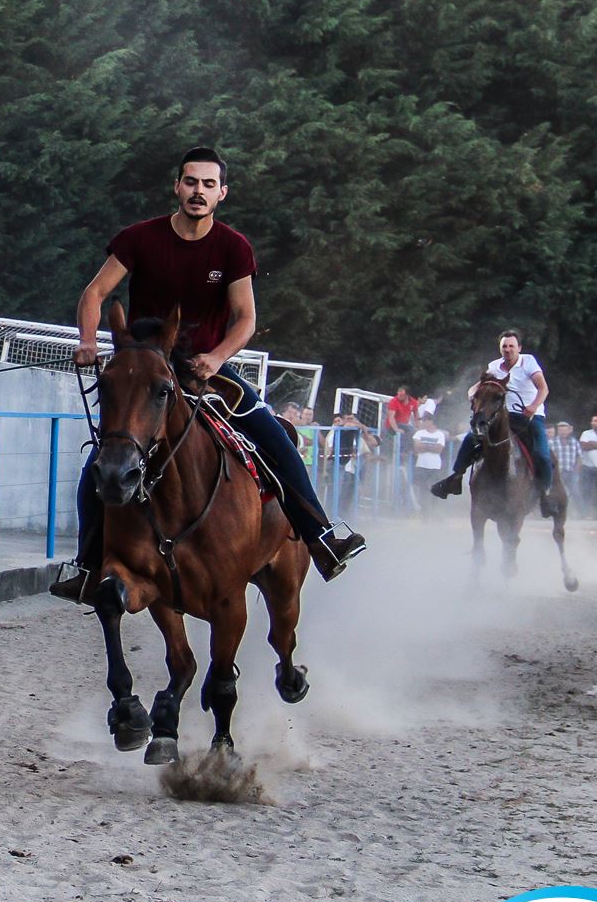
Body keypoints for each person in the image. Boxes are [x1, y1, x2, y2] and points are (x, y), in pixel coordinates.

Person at [50, 146, 366, 602]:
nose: (199, 191)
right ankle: (85, 564)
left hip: (205, 368)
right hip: (148, 363)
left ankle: (322, 539)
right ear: (177, 186)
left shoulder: (234, 248)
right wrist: (86, 340)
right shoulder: (139, 238)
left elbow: (245, 320)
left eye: (208, 185)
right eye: (191, 182)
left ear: (222, 193)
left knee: (275, 440)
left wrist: (217, 358)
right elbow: (94, 293)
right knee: (103, 460)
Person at [430, 330, 556, 516]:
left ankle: (544, 496)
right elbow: (477, 386)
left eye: (511, 346)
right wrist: (472, 393)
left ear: (519, 348)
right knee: (471, 438)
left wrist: (533, 406)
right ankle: (455, 478)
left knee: (542, 455)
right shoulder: (494, 367)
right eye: (504, 346)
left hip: (530, 416)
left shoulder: (528, 362)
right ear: (500, 349)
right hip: (502, 416)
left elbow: (543, 388)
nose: (508, 349)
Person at [411, 411, 447, 510]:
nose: (423, 423)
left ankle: (434, 511)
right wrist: (432, 447)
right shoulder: (419, 433)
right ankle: (425, 512)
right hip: (422, 465)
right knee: (423, 489)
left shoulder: (440, 434)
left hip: (434, 466)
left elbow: (439, 450)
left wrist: (424, 446)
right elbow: (417, 448)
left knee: (433, 490)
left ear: (431, 421)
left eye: (425, 420)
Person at [551, 421, 581, 508]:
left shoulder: (574, 442)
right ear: (558, 431)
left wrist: (576, 470)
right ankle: (554, 510)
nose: (563, 432)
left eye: (565, 430)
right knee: (555, 492)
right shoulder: (552, 442)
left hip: (571, 471)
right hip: (557, 472)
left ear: (569, 431)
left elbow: (579, 457)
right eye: (561, 430)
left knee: (575, 492)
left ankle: (583, 513)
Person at [385, 385, 418, 451]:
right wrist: (396, 429)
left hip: (403, 425)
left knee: (415, 432)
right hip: (392, 425)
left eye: (401, 395)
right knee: (410, 429)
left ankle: (408, 450)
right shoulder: (393, 401)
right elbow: (391, 418)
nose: (399, 396)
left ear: (407, 395)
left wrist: (418, 427)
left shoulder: (413, 402)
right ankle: (404, 450)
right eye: (398, 394)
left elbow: (416, 416)